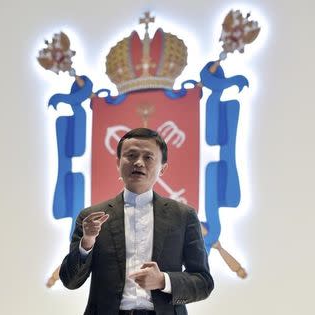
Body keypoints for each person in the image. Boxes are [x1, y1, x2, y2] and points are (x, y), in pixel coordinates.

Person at [60, 128, 214, 315]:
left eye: (148, 157)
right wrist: (87, 243)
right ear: (118, 163)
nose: (138, 162)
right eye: (131, 155)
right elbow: (70, 281)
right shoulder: (91, 217)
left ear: (163, 168)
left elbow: (203, 282)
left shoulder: (183, 215)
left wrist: (163, 280)